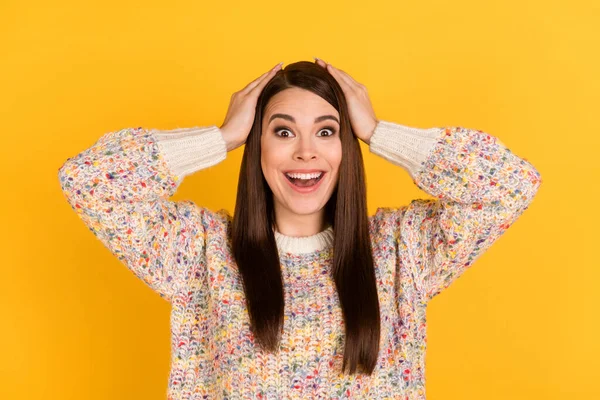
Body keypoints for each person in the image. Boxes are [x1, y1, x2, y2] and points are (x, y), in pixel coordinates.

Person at [57, 58, 542, 399]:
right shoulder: (200, 252)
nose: (306, 152)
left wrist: (378, 132)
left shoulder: (402, 251)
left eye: (327, 131)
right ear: (258, 146)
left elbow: (510, 185)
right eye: (283, 131)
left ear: (344, 148)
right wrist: (220, 138)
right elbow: (87, 181)